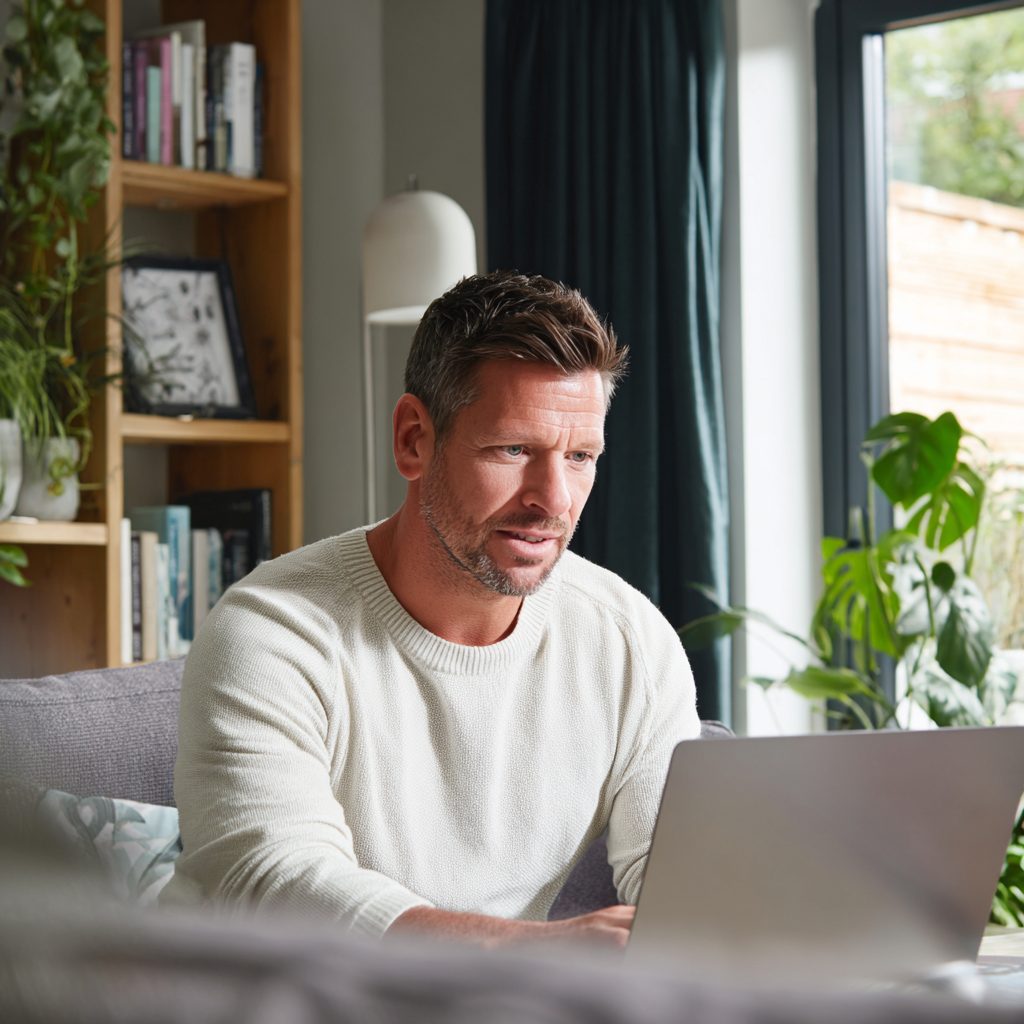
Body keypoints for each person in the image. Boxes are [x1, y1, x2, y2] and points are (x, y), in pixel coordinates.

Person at [165, 270, 700, 949]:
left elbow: (684, 881)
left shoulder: (628, 641)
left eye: (581, 456)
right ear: (415, 439)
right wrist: (531, 952)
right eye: (513, 450)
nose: (554, 499)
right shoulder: (273, 633)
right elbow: (275, 881)